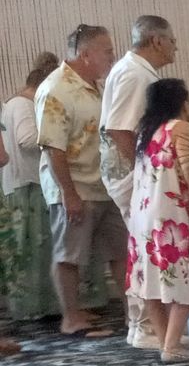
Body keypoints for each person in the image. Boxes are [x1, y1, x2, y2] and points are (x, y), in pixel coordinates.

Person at [35, 24, 124, 338]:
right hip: (74, 187)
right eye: (107, 51)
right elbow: (52, 147)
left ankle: (137, 313)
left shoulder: (95, 86)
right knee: (69, 255)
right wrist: (68, 193)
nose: (112, 57)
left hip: (105, 184)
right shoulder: (56, 89)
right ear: (85, 55)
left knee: (121, 250)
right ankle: (71, 317)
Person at [101, 15, 177, 350]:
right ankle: (146, 327)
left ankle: (142, 325)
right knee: (147, 249)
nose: (175, 48)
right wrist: (146, 171)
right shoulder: (135, 73)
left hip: (131, 173)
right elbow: (120, 129)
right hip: (132, 175)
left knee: (143, 247)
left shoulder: (134, 70)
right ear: (157, 40)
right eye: (172, 41)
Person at [127, 77, 189, 363]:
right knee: (184, 279)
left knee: (152, 282)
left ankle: (166, 342)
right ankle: (172, 346)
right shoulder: (181, 128)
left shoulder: (145, 132)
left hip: (142, 214)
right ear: (181, 101)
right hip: (170, 214)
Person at [1, 51, 60, 329]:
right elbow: (26, 139)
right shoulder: (23, 105)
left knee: (36, 248)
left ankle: (40, 306)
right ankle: (33, 307)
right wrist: (58, 138)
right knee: (33, 249)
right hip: (27, 183)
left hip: (25, 183)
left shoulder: (14, 104)